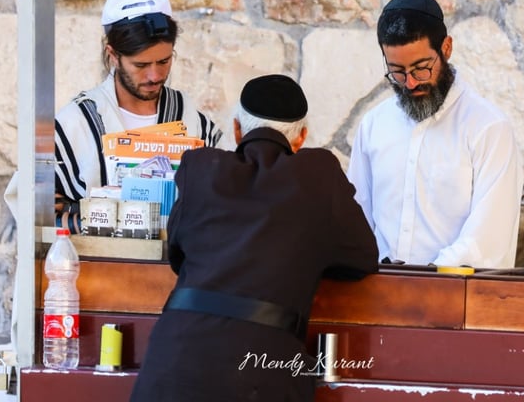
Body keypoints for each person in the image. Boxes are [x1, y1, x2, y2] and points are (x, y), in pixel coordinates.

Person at [129, 74, 379, 402]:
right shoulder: (319, 178)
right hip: (262, 373)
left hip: (175, 361)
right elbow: (363, 258)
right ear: (301, 137)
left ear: (236, 129)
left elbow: (177, 253)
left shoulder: (200, 168)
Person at [347, 0, 524, 269]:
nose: (411, 83)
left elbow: (489, 233)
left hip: (454, 299)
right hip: (379, 293)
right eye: (397, 72)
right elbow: (357, 216)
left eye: (421, 69)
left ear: (447, 48)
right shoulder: (373, 125)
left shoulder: (489, 128)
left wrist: (427, 280)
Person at [54, 0, 224, 231]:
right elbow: (41, 214)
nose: (155, 75)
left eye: (164, 61)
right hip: (96, 268)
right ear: (113, 55)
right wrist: (103, 222)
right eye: (141, 66)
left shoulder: (192, 122)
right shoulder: (74, 124)